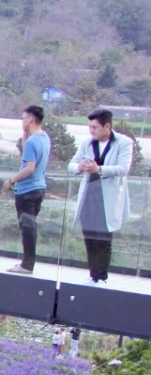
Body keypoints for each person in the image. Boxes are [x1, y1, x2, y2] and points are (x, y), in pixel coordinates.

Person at [69, 108, 133, 284]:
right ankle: (93, 275)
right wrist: (80, 167)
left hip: (108, 198)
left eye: (95, 127)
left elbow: (123, 168)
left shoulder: (124, 143)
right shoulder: (87, 143)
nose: (91, 131)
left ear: (107, 126)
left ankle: (101, 276)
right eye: (90, 127)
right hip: (89, 195)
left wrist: (100, 169)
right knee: (89, 236)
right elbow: (71, 164)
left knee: (104, 239)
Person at [2, 105, 51, 275]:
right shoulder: (43, 138)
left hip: (26, 191)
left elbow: (29, 167)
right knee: (30, 226)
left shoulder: (32, 142)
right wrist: (25, 134)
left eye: (23, 118)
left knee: (27, 229)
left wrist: (11, 180)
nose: (21, 121)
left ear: (30, 119)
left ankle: (27, 264)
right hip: (39, 188)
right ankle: (27, 262)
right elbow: (27, 153)